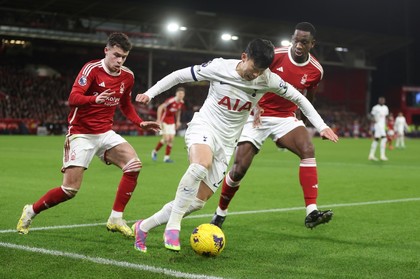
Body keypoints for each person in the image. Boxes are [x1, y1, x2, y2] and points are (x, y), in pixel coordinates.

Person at [133, 38, 339, 253]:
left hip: (227, 142)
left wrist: (321, 126)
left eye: (260, 71)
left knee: (196, 202)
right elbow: (178, 75)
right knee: (200, 165)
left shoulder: (267, 79)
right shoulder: (219, 67)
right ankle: (173, 226)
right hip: (205, 126)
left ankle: (143, 226)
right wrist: (150, 93)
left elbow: (300, 98)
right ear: (243, 57)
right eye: (253, 69)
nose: (255, 75)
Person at [16, 32, 160, 237]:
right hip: (81, 134)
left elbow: (125, 104)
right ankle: (31, 211)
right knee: (70, 190)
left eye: (124, 57)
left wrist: (140, 122)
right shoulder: (91, 69)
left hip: (105, 133)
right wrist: (95, 100)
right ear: (107, 50)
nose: (119, 61)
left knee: (134, 165)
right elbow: (73, 97)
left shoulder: (127, 76)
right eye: (116, 55)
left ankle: (116, 218)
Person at [209, 22, 334, 230]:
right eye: (295, 40)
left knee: (308, 149)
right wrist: (254, 107)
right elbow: (250, 77)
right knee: (240, 169)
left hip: (285, 117)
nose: (298, 45)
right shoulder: (275, 55)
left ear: (313, 44)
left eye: (304, 42)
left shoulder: (315, 70)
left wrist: (302, 124)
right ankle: (220, 213)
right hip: (256, 114)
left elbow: (308, 98)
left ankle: (311, 211)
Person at [151, 87, 185, 163]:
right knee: (166, 139)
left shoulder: (181, 102)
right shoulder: (171, 101)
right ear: (176, 94)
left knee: (171, 139)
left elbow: (178, 111)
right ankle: (154, 151)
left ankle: (166, 158)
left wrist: (178, 121)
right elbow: (160, 108)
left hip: (172, 121)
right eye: (179, 93)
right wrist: (158, 119)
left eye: (182, 94)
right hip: (164, 120)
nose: (181, 95)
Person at [368, 96, 389, 161]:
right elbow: (370, 116)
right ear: (378, 101)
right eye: (381, 100)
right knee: (384, 138)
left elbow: (386, 117)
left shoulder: (386, 108)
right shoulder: (375, 108)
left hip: (383, 125)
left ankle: (371, 155)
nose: (382, 101)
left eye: (383, 100)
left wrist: (387, 126)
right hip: (377, 125)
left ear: (384, 101)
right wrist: (373, 120)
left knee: (376, 139)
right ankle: (382, 156)